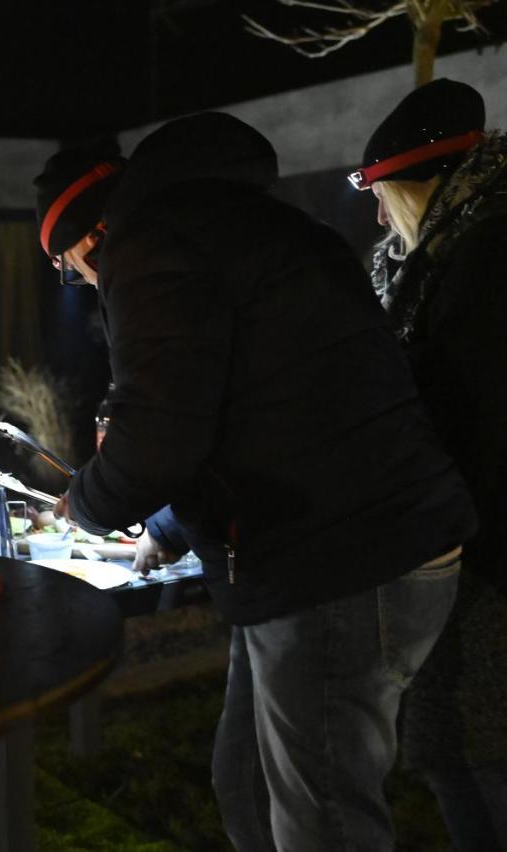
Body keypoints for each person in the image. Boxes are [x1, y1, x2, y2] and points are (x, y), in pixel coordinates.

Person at [36, 112, 477, 851]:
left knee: (323, 822)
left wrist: (86, 502)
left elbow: (160, 432)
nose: (78, 280)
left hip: (339, 559)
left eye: (64, 265)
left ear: (85, 237)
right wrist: (173, 528)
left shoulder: (152, 247)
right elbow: (257, 403)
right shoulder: (243, 225)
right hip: (326, 546)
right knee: (243, 778)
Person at [353, 78, 507, 851]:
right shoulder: (447, 257)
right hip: (456, 546)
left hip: (486, 556)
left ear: (426, 182)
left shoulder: (484, 264)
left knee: (484, 756)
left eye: (382, 193)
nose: (378, 216)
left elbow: (465, 417)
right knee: (452, 752)